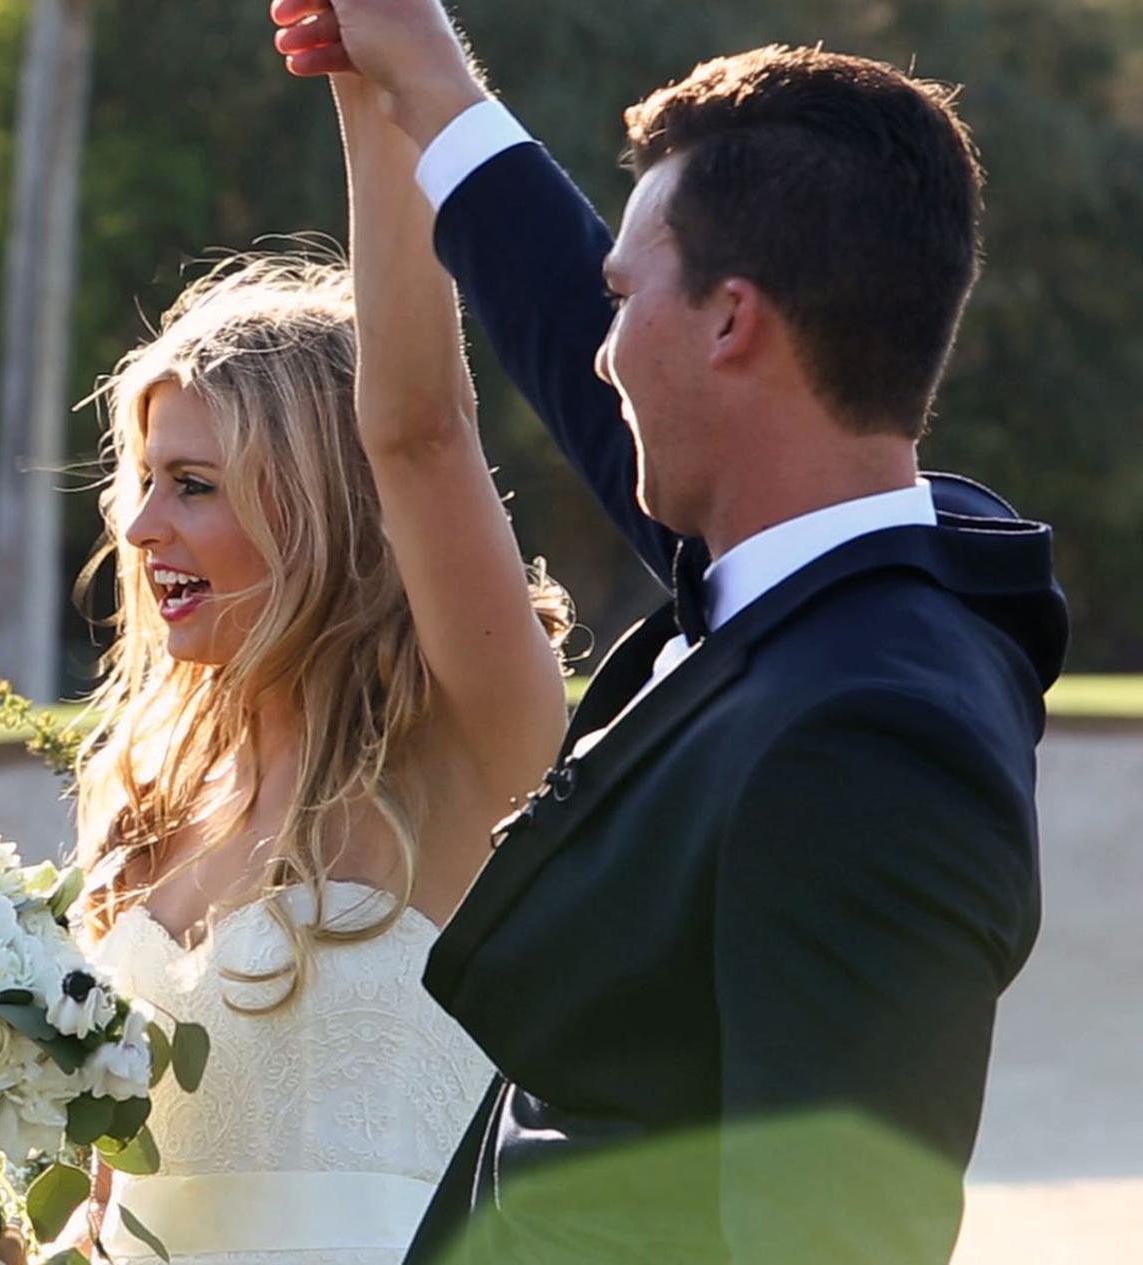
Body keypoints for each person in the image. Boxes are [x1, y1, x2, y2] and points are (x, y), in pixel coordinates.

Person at [272, 6, 1069, 1262]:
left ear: (729, 322)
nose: (599, 357)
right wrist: (423, 77)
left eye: (622, 300)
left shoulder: (870, 744)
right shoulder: (831, 580)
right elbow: (556, 315)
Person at [48, 72, 570, 1264]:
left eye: (193, 484)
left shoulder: (466, 749)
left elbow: (422, 430)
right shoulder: (148, 803)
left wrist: (367, 84)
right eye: (142, 481)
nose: (139, 527)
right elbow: (101, 1202)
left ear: (325, 501)